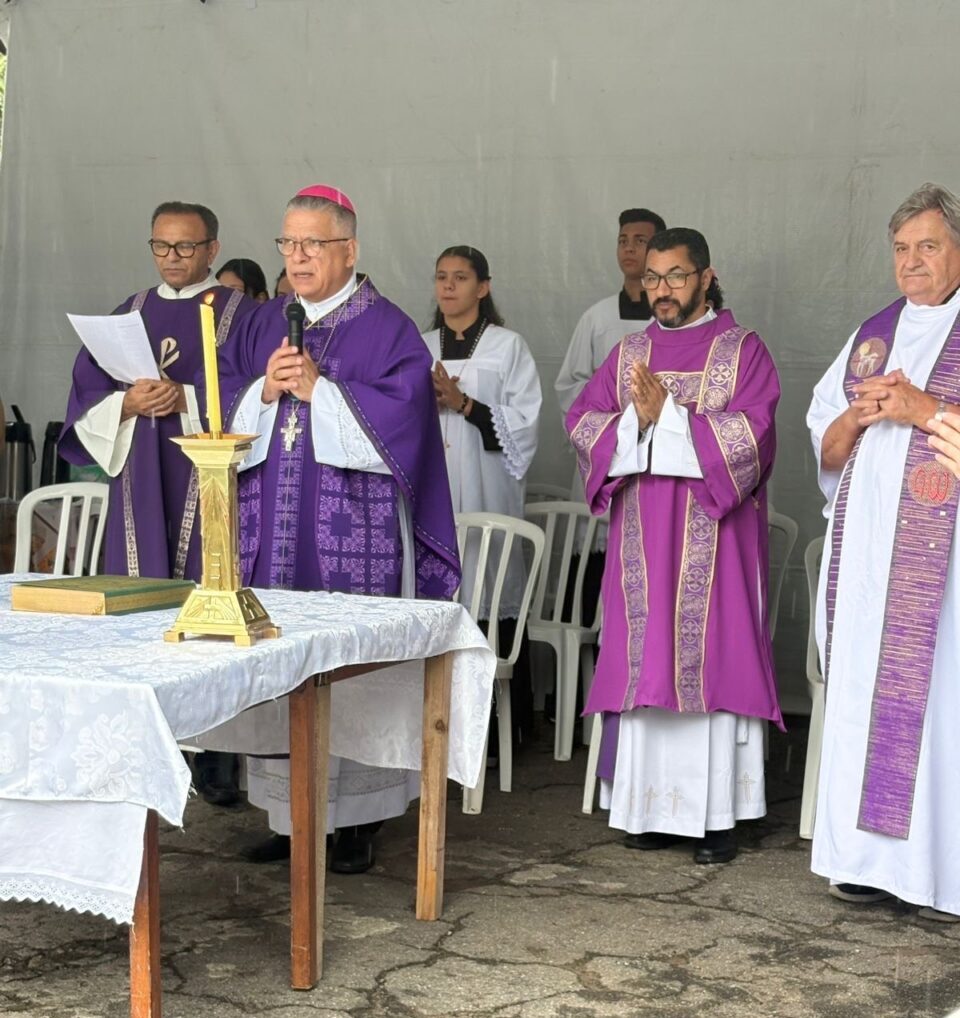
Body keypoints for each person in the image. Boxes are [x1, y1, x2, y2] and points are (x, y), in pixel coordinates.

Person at [218, 184, 461, 872]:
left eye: (311, 244)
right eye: (287, 244)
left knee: (347, 671)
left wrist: (321, 390)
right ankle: (286, 817)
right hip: (271, 527)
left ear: (348, 249)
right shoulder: (264, 322)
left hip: (354, 534)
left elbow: (407, 420)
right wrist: (262, 392)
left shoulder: (387, 328)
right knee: (279, 663)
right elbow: (223, 397)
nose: (296, 257)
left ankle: (358, 822)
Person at [566, 227, 782, 864]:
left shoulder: (743, 350)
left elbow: (754, 438)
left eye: (676, 277)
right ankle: (650, 809)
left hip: (716, 541)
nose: (661, 290)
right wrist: (637, 418)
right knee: (646, 660)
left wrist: (673, 417)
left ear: (706, 277)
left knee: (712, 659)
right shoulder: (631, 350)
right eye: (652, 278)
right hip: (642, 536)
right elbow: (583, 421)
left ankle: (717, 819)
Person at [807, 182, 960, 922]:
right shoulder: (873, 334)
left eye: (927, 246)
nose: (912, 262)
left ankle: (942, 871)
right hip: (868, 560)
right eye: (901, 249)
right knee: (867, 697)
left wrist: (922, 408)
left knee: (938, 706)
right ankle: (863, 863)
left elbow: (935, 422)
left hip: (945, 571)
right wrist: (858, 417)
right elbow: (825, 447)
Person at [60, 201, 256, 582]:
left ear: (212, 249)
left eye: (185, 247)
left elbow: (260, 391)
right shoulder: (130, 310)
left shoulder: (246, 316)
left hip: (209, 471)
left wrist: (187, 398)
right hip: (139, 465)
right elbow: (86, 394)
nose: (171, 257)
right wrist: (125, 404)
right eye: (161, 246)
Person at [422, 245, 541, 746]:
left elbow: (526, 422)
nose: (448, 287)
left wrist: (464, 403)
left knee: (489, 592)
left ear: (483, 287)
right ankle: (439, 725)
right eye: (441, 277)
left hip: (486, 489)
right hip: (435, 487)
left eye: (460, 278)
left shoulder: (507, 347)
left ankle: (499, 729)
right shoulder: (420, 345)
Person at [555, 208, 666, 417]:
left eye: (640, 241)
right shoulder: (596, 318)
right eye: (623, 241)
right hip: (608, 435)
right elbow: (568, 387)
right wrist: (605, 385)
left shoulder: (674, 318)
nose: (629, 248)